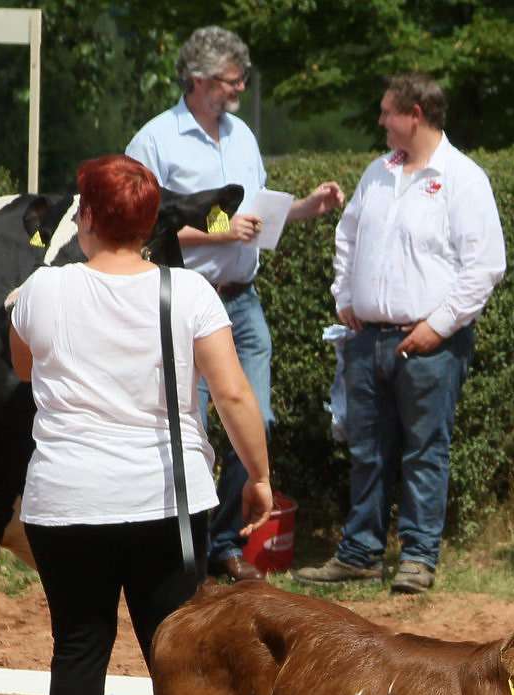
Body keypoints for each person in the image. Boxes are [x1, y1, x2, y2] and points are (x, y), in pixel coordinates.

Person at [7, 154, 272, 695]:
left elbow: (21, 365)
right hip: (165, 496)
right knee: (175, 648)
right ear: (155, 220)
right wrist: (261, 477)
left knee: (78, 643)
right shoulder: (189, 296)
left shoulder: (41, 289)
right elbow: (234, 393)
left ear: (86, 217)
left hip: (66, 499)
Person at [127, 25, 342, 585]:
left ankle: (222, 542)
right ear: (197, 81)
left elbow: (259, 217)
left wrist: (305, 209)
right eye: (231, 80)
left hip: (242, 305)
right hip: (179, 304)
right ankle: (187, 554)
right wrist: (220, 232)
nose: (240, 88)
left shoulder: (242, 135)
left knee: (256, 422)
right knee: (189, 432)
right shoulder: (154, 140)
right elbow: (141, 224)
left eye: (242, 78)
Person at [295, 73, 507, 596]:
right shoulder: (378, 172)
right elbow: (347, 236)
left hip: (430, 346)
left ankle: (417, 557)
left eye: (388, 112)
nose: (381, 121)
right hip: (368, 339)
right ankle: (361, 553)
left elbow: (485, 266)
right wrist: (344, 296)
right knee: (367, 450)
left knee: (423, 452)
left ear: (414, 114)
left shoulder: (462, 177)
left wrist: (437, 327)